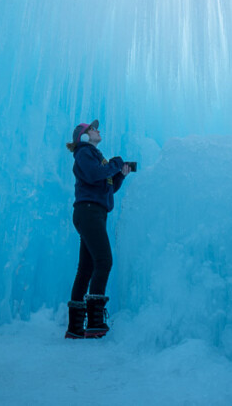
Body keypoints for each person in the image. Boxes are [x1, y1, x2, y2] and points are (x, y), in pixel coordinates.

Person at [64, 119, 132, 339]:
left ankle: (75, 327)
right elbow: (95, 174)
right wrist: (114, 163)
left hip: (94, 212)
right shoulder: (84, 153)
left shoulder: (96, 157)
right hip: (89, 212)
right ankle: (94, 321)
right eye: (93, 129)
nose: (98, 130)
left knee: (86, 268)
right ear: (83, 136)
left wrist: (119, 173)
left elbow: (106, 188)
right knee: (104, 261)